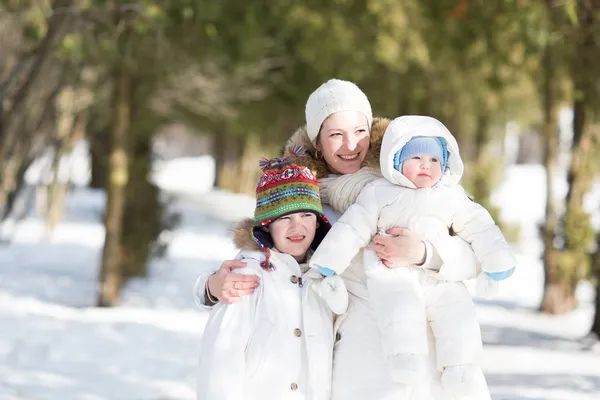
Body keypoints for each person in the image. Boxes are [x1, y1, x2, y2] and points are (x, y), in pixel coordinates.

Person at [194, 79, 490, 400]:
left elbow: (478, 255)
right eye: (336, 134)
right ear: (317, 141)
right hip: (359, 357)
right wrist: (210, 286)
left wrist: (423, 253)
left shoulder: (415, 178)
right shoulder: (301, 200)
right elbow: (269, 264)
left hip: (433, 345)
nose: (351, 145)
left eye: (359, 131)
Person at [309, 115, 517, 398]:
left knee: (458, 317)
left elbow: (481, 230)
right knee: (400, 309)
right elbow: (351, 229)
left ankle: (462, 370)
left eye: (434, 160)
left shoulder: (450, 195)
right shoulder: (369, 194)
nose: (425, 166)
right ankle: (405, 360)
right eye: (416, 157)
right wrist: (327, 263)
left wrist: (428, 254)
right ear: (394, 160)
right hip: (384, 294)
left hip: (439, 284)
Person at [197, 151, 340, 400]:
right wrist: (209, 286)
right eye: (284, 218)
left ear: (318, 222)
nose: (297, 227)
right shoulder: (248, 277)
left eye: (306, 215)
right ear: (267, 226)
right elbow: (221, 357)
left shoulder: (325, 278)